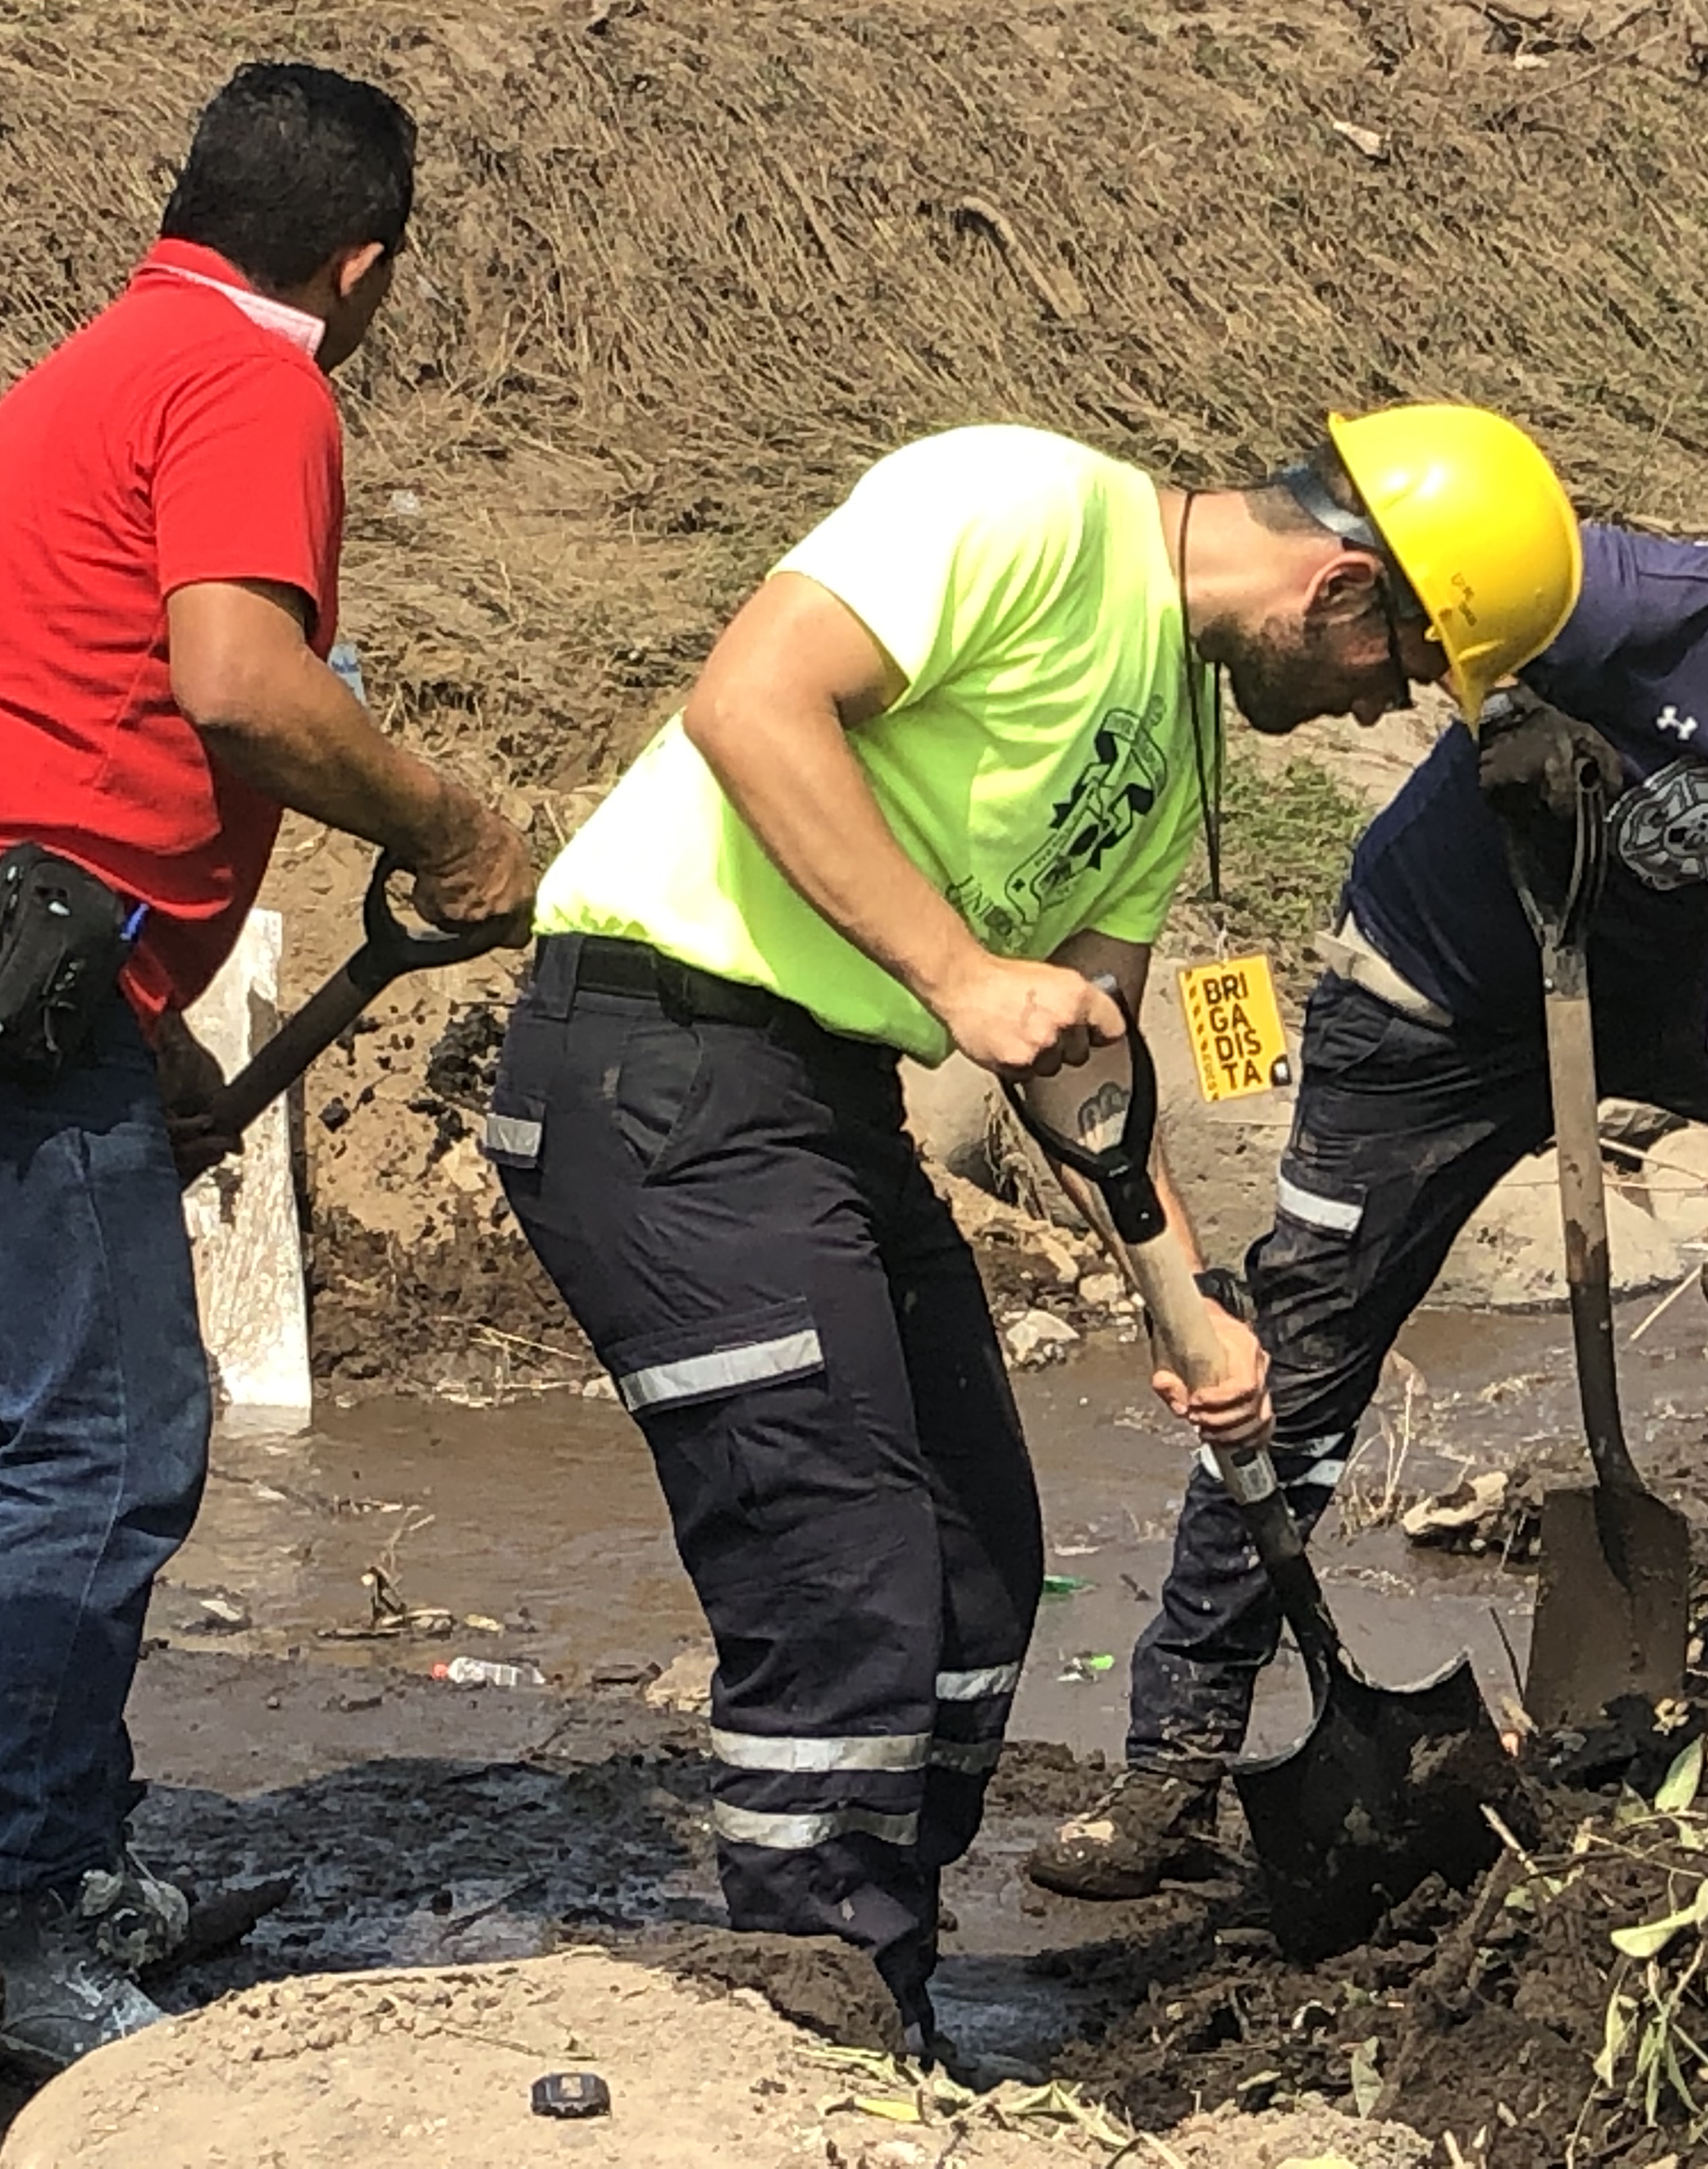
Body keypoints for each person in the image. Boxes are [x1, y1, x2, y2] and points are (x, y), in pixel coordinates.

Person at [482, 406, 1581, 2052]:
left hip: (821, 1102)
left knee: (977, 1569)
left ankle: (874, 1998)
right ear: (1346, 586)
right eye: (1405, 664)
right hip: (661, 1064)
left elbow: (1088, 1062)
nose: (1386, 703)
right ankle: (807, 2055)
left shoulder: (1170, 748)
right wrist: (958, 973)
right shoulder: (1022, 505)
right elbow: (751, 701)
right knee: (844, 1584)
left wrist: (1182, 1299)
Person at [1028, 369, 1708, 1902]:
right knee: (1297, 1373)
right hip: (1428, 1000)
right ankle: (1171, 1768)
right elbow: (1426, 619)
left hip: (1652, 981)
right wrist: (1498, 721)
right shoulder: (1617, 600)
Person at [0, 65, 537, 2069]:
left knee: (4, 1441)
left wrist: (148, 1023)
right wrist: (442, 820)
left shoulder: (105, 359)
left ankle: (47, 1867)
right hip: (8, 960)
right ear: (363, 265)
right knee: (114, 1437)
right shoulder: (258, 380)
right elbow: (237, 685)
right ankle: (5, 1909)